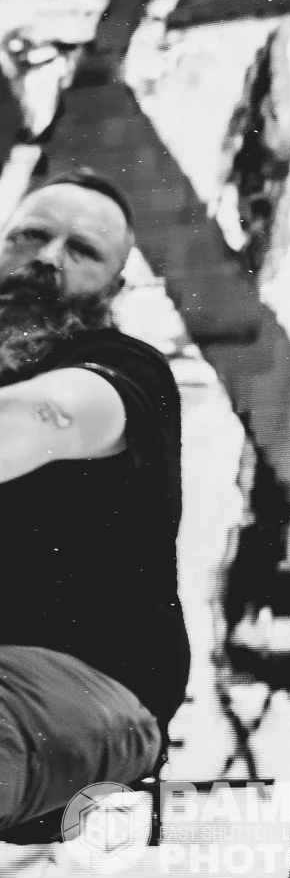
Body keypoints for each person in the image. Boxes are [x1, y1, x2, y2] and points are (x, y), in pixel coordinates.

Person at [0, 172, 187, 831]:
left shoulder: (126, 366)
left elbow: (42, 418)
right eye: (31, 236)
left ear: (115, 286)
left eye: (82, 250)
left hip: (93, 685)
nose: (48, 258)